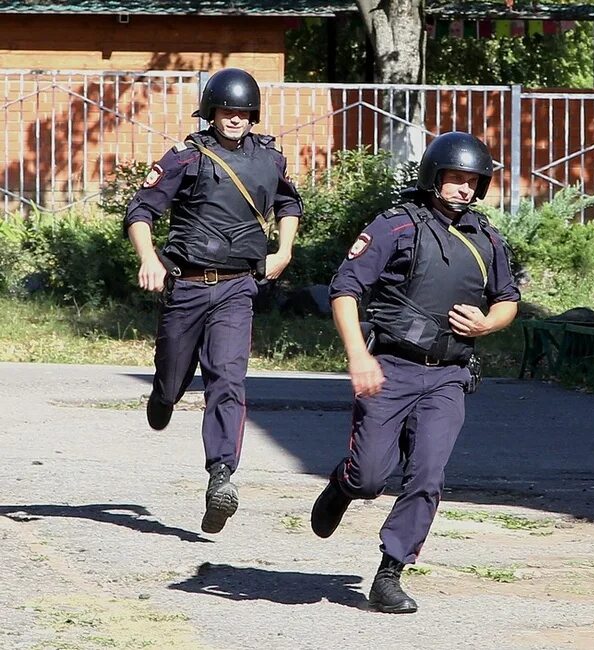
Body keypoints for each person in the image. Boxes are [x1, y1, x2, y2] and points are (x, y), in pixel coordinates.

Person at [310, 131, 520, 613]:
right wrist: (357, 357)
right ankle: (343, 485)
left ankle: (390, 573)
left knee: (426, 474)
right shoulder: (395, 226)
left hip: (448, 375)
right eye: (455, 179)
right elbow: (344, 290)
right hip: (391, 368)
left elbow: (509, 300)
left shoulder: (486, 239)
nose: (464, 189)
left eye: (473, 181)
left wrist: (489, 323)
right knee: (369, 478)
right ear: (434, 177)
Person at [123, 67, 303, 534]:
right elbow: (141, 210)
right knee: (173, 375)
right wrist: (149, 259)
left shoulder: (269, 159)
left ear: (253, 115)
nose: (235, 118)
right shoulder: (187, 157)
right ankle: (164, 394)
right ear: (211, 112)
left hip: (237, 287)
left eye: (243, 111)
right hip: (185, 285)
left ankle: (221, 476)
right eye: (226, 110)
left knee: (228, 378)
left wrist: (283, 251)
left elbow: (289, 204)